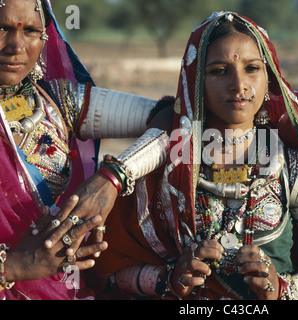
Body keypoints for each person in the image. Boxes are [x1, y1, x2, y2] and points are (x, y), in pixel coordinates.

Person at [92, 11, 298, 301]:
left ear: (268, 75)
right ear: (197, 81)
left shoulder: (293, 167)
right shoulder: (165, 169)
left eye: (252, 68)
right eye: (219, 71)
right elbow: (114, 268)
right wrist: (170, 280)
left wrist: (284, 289)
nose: (239, 85)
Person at [0, 0, 170, 300]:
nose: (15, 46)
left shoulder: (57, 103)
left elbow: (171, 116)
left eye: (30, 30)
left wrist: (112, 178)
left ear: (46, 36)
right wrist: (13, 266)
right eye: (1, 28)